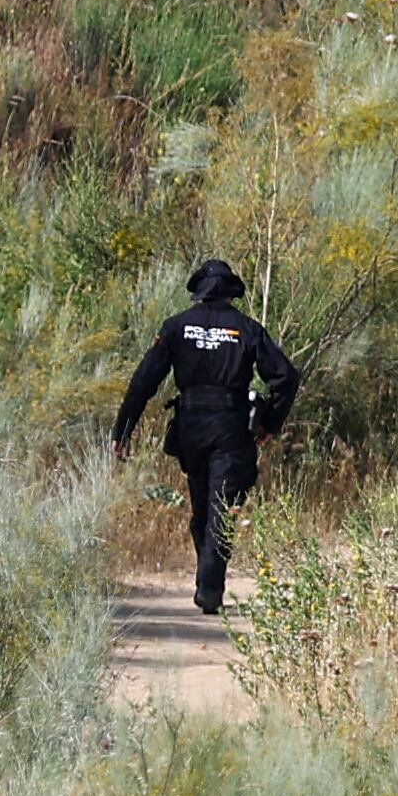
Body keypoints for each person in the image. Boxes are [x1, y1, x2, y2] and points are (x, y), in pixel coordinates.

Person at [110, 258, 303, 614]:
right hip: (231, 428)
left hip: (191, 428)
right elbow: (286, 377)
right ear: (230, 292)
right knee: (221, 509)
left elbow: (143, 382)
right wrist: (269, 425)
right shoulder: (246, 328)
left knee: (203, 510)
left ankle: (208, 584)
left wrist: (121, 432)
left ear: (198, 290)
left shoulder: (176, 327)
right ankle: (210, 586)